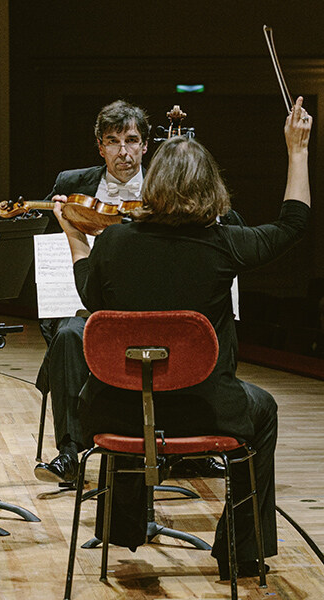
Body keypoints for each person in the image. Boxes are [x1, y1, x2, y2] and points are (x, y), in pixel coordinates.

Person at [53, 96, 311, 578]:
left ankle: (120, 527)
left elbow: (88, 293)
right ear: (209, 186)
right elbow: (294, 223)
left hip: (118, 409)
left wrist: (73, 232)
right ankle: (241, 550)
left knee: (131, 386)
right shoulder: (224, 244)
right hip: (204, 406)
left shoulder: (113, 244)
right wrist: (297, 152)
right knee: (264, 411)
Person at [33, 100, 151, 485]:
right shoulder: (72, 184)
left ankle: (181, 448)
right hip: (89, 310)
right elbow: (51, 255)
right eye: (113, 141)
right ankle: (69, 454)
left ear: (145, 145)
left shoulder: (162, 186)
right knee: (67, 335)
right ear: (100, 147)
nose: (124, 151)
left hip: (146, 311)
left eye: (132, 140)